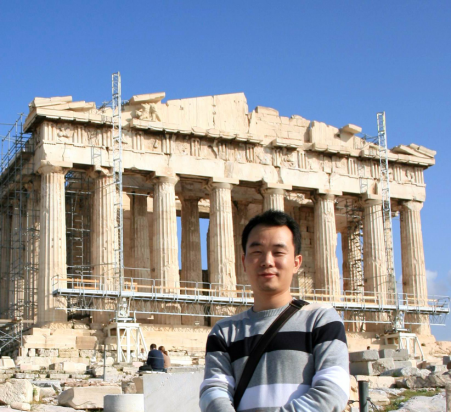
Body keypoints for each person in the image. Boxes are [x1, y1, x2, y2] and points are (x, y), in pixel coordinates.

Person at [199, 210, 350, 411]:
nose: (267, 261)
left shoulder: (321, 320)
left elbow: (333, 390)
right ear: (243, 262)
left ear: (296, 263)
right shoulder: (224, 332)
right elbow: (213, 391)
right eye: (257, 252)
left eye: (278, 252)